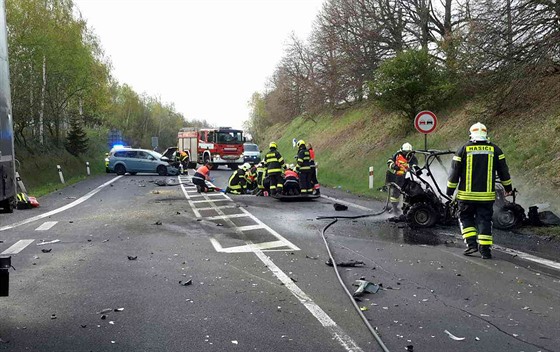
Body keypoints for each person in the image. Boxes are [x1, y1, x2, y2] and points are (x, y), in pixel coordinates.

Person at [446, 122, 513, 259]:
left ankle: (471, 245)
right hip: (486, 197)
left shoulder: (463, 149)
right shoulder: (495, 150)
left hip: (466, 196)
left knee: (465, 218)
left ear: (471, 134)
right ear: (486, 135)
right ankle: (485, 251)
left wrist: (449, 190)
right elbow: (504, 172)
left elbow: (454, 172)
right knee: (485, 220)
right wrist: (508, 188)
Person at [387, 142, 418, 215]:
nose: (407, 154)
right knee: (395, 194)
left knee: (407, 194)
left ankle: (406, 209)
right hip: (397, 177)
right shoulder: (397, 155)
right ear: (402, 151)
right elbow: (389, 162)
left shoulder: (412, 157)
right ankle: (395, 208)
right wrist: (394, 166)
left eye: (408, 152)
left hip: (407, 178)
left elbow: (415, 165)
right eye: (405, 152)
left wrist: (411, 168)